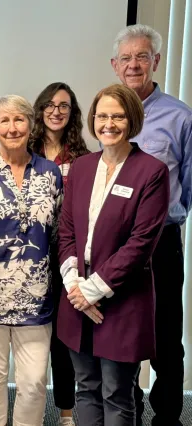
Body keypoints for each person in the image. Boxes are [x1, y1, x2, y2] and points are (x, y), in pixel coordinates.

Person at [57, 83, 170, 425]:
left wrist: (91, 291)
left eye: (118, 116)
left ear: (132, 119)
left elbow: (141, 244)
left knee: (117, 395)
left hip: (121, 300)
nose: (109, 123)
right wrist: (73, 283)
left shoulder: (151, 171)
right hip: (77, 296)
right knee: (86, 388)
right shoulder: (82, 167)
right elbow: (66, 231)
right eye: (102, 115)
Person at [0, 95, 62, 426]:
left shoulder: (51, 173)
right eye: (4, 120)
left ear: (31, 125)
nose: (12, 127)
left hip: (37, 298)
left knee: (33, 383)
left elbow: (61, 232)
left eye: (19, 119)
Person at [111, 24, 192, 426]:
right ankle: (128, 413)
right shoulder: (108, 113)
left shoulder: (180, 117)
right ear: (114, 64)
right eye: (126, 58)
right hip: (116, 245)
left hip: (160, 242)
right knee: (123, 332)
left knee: (164, 334)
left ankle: (168, 416)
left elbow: (188, 185)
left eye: (142, 56)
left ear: (156, 61)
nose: (133, 65)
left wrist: (166, 219)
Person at [29, 82, 90, 426]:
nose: (57, 111)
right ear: (40, 109)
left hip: (68, 257)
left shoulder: (83, 156)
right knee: (35, 337)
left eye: (64, 106)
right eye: (51, 105)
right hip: (31, 256)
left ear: (72, 112)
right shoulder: (26, 150)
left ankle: (66, 413)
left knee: (64, 340)